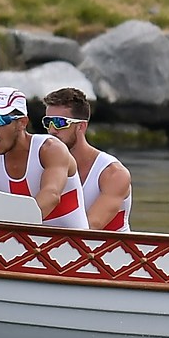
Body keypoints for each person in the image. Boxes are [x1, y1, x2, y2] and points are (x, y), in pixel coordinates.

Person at [0, 86, 86, 229]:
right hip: (20, 243)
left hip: (72, 245)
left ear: (22, 123)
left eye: (0, 120)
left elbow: (52, 195)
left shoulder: (50, 149)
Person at [42, 87, 133, 232]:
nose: (52, 130)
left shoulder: (114, 174)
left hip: (110, 251)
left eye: (60, 122)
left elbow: (91, 227)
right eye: (48, 122)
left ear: (81, 126)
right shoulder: (44, 165)